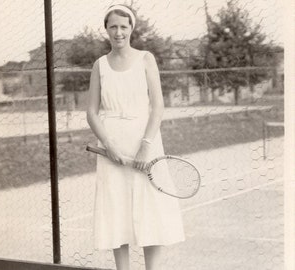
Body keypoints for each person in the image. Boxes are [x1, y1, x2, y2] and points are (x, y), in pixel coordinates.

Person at [86, 4, 185, 270]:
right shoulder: (99, 65)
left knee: (149, 207)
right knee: (116, 207)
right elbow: (92, 113)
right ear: (106, 29)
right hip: (111, 145)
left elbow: (158, 107)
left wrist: (145, 147)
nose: (118, 32)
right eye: (113, 27)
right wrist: (109, 146)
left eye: (123, 26)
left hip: (145, 141)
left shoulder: (146, 58)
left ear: (131, 28)